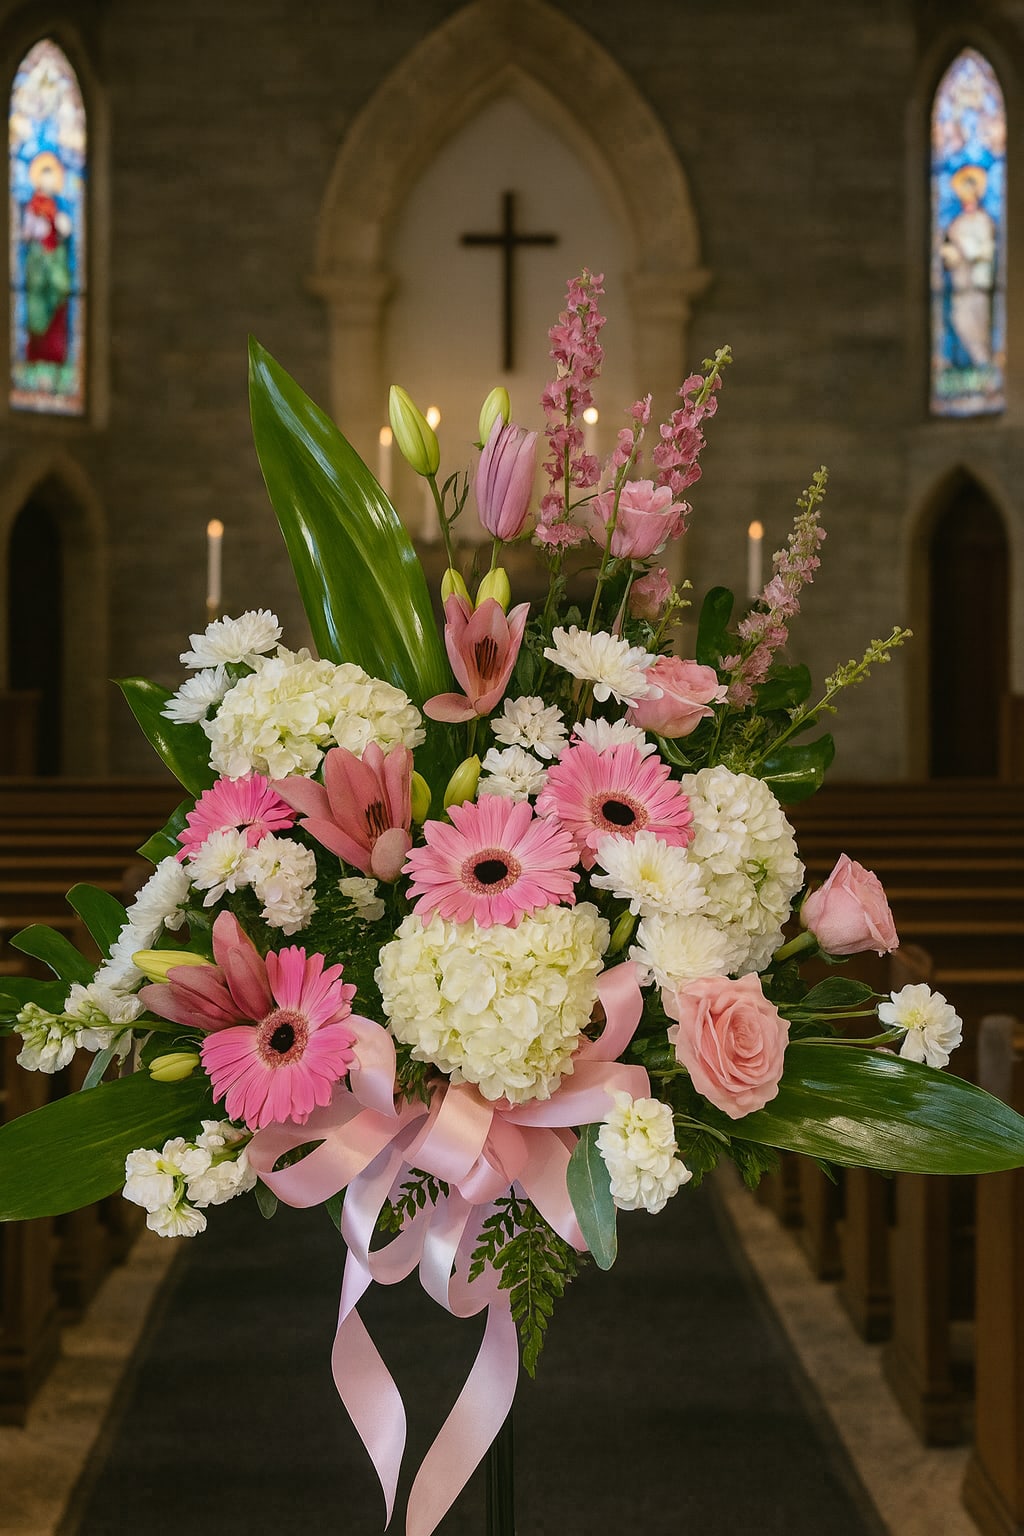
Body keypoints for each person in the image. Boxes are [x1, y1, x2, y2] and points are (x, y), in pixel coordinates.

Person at [20, 149, 73, 367]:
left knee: (59, 302)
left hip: (54, 262)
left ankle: (57, 357)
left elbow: (63, 233)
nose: (50, 182)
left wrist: (62, 230)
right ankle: (35, 356)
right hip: (38, 263)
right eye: (46, 177)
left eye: (53, 177)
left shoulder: (58, 207)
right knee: (37, 309)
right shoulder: (34, 207)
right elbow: (28, 233)